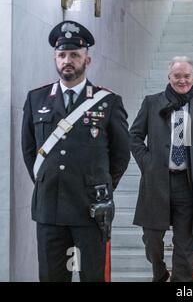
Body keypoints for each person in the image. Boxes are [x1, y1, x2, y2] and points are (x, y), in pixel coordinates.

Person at [21, 20, 131, 282]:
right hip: (50, 208)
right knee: (51, 277)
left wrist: (99, 185)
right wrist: (47, 181)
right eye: (61, 55)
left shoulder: (108, 102)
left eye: (74, 55)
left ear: (87, 60)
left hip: (90, 209)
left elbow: (120, 155)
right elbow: (29, 151)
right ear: (55, 58)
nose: (67, 60)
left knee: (92, 277)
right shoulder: (36, 99)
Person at [130, 56, 193, 282]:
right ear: (169, 77)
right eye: (177, 76)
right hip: (157, 181)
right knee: (152, 239)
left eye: (187, 76)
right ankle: (160, 273)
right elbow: (134, 136)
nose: (182, 81)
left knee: (185, 245)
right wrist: (147, 163)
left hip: (189, 185)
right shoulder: (152, 102)